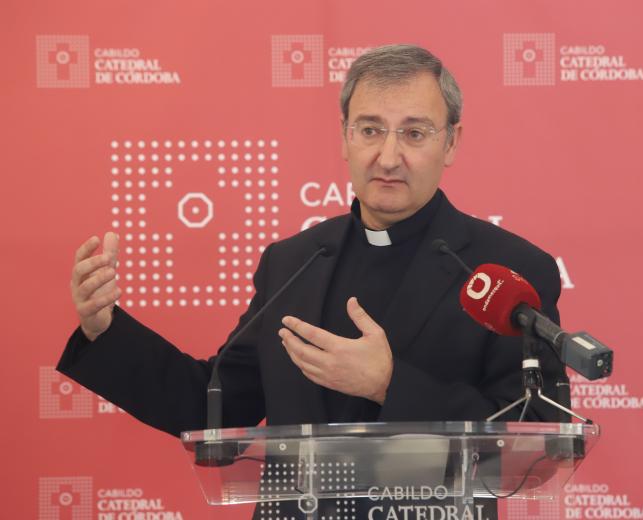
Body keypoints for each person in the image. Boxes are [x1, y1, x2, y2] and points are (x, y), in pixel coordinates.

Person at [61, 44, 567, 444]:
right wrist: (103, 329)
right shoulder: (292, 263)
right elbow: (212, 405)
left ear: (451, 142)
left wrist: (391, 385)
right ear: (345, 136)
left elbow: (535, 430)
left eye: (414, 134)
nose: (388, 157)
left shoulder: (512, 272)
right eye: (370, 130)